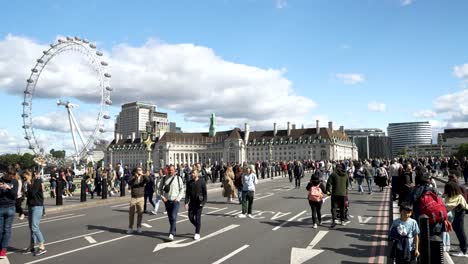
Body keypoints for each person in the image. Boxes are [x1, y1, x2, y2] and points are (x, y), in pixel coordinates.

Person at [23, 170, 47, 256]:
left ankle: (42, 246)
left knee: (34, 227)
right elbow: (28, 195)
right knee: (31, 227)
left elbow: (33, 192)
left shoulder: (37, 181)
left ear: (30, 175)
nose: (24, 178)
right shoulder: (27, 183)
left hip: (37, 206)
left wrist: (29, 184)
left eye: (25, 176)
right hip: (30, 206)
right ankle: (32, 245)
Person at [159, 165, 185, 240]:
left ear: (174, 171)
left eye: (172, 170)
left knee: (173, 216)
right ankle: (174, 230)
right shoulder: (164, 179)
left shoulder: (178, 178)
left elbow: (182, 189)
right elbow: (159, 189)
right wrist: (162, 197)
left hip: (175, 201)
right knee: (170, 217)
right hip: (167, 201)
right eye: (169, 170)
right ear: (167, 170)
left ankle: (171, 233)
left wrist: (178, 198)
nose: (171, 171)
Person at [444, 181, 468, 257]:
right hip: (457, 214)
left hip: (460, 214)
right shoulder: (453, 195)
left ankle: (464, 251)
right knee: (458, 231)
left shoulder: (458, 197)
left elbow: (448, 206)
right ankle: (462, 247)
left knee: (460, 231)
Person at [0, 168, 19, 258]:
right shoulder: (0, 180)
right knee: (0, 230)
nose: (11, 178)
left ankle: (3, 249)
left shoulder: (14, 181)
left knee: (7, 230)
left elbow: (15, 195)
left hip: (10, 207)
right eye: (10, 176)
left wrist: (8, 188)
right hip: (1, 207)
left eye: (13, 176)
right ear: (6, 174)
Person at [184, 168, 207, 240]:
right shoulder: (189, 183)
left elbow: (205, 194)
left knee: (198, 218)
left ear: (197, 174)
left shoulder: (202, 182)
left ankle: (197, 233)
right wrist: (186, 202)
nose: (192, 174)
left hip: (199, 203)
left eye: (194, 173)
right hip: (192, 203)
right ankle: (197, 226)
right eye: (192, 173)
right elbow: (187, 194)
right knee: (190, 217)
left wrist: (203, 202)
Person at [127, 167, 149, 234]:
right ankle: (130, 227)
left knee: (140, 213)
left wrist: (143, 175)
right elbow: (129, 182)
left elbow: (148, 180)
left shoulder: (143, 177)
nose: (139, 171)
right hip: (133, 197)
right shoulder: (132, 177)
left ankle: (139, 227)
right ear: (136, 171)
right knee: (131, 214)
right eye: (138, 170)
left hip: (141, 197)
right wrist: (135, 177)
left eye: (140, 170)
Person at [326, 163, 348, 227]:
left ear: (336, 168)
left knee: (334, 208)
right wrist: (345, 191)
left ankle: (334, 219)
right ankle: (342, 220)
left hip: (335, 193)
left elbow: (328, 183)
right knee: (342, 208)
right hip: (343, 194)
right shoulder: (345, 174)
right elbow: (347, 184)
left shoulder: (333, 174)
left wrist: (328, 191)